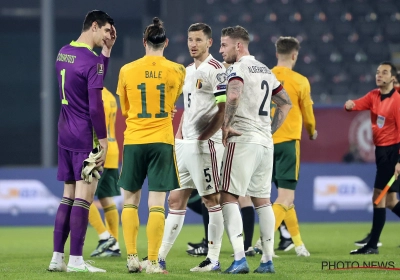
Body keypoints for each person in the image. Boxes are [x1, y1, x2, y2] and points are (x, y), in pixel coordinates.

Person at [219, 25, 292, 274]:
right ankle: (267, 260)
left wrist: (226, 125)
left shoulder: (237, 69)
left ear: (238, 45)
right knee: (263, 201)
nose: (221, 50)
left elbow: (234, 95)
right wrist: (269, 130)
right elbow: (285, 103)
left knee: (227, 196)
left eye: (224, 45)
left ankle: (239, 258)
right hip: (264, 143)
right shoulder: (265, 70)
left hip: (243, 139)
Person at [47, 10, 116, 273]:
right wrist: (105, 139)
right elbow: (96, 104)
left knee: (67, 196)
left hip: (64, 131)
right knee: (84, 198)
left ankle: (57, 258)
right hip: (84, 134)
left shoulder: (64, 52)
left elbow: (94, 78)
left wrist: (106, 53)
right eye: (107, 30)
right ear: (94, 26)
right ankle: (76, 260)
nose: (108, 36)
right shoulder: (90, 60)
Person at [155, 22, 227, 273]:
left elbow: (223, 109)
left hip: (205, 145)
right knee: (175, 200)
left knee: (210, 199)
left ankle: (213, 259)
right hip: (183, 144)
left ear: (209, 43)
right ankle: (159, 258)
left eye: (198, 40)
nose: (193, 45)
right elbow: (187, 108)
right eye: (189, 40)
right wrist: (178, 135)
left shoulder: (216, 70)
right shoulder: (186, 71)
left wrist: (205, 136)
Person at [117, 17, 185, 274]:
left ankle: (132, 257)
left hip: (134, 139)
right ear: (165, 42)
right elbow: (171, 105)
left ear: (144, 42)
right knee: (157, 204)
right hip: (162, 141)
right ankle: (154, 262)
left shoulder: (126, 70)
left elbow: (125, 110)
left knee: (130, 202)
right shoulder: (178, 70)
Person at [254, 36, 316, 257]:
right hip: (288, 143)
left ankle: (299, 245)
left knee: (284, 200)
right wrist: (312, 131)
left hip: (263, 142)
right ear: (294, 55)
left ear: (276, 54)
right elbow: (308, 116)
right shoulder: (300, 81)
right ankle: (263, 240)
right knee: (286, 197)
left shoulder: (263, 76)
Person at [346, 62, 400, 254]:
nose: (379, 75)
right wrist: (350, 105)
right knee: (392, 201)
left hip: (393, 153)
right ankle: (372, 243)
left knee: (378, 199)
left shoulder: (397, 100)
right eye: (377, 72)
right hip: (381, 152)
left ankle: (372, 245)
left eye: (384, 72)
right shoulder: (373, 96)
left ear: (393, 77)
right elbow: (358, 104)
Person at [88, 87, 121, 257]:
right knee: (106, 198)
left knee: (82, 197)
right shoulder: (109, 95)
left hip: (96, 150)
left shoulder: (92, 93)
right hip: (112, 149)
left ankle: (105, 236)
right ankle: (114, 245)